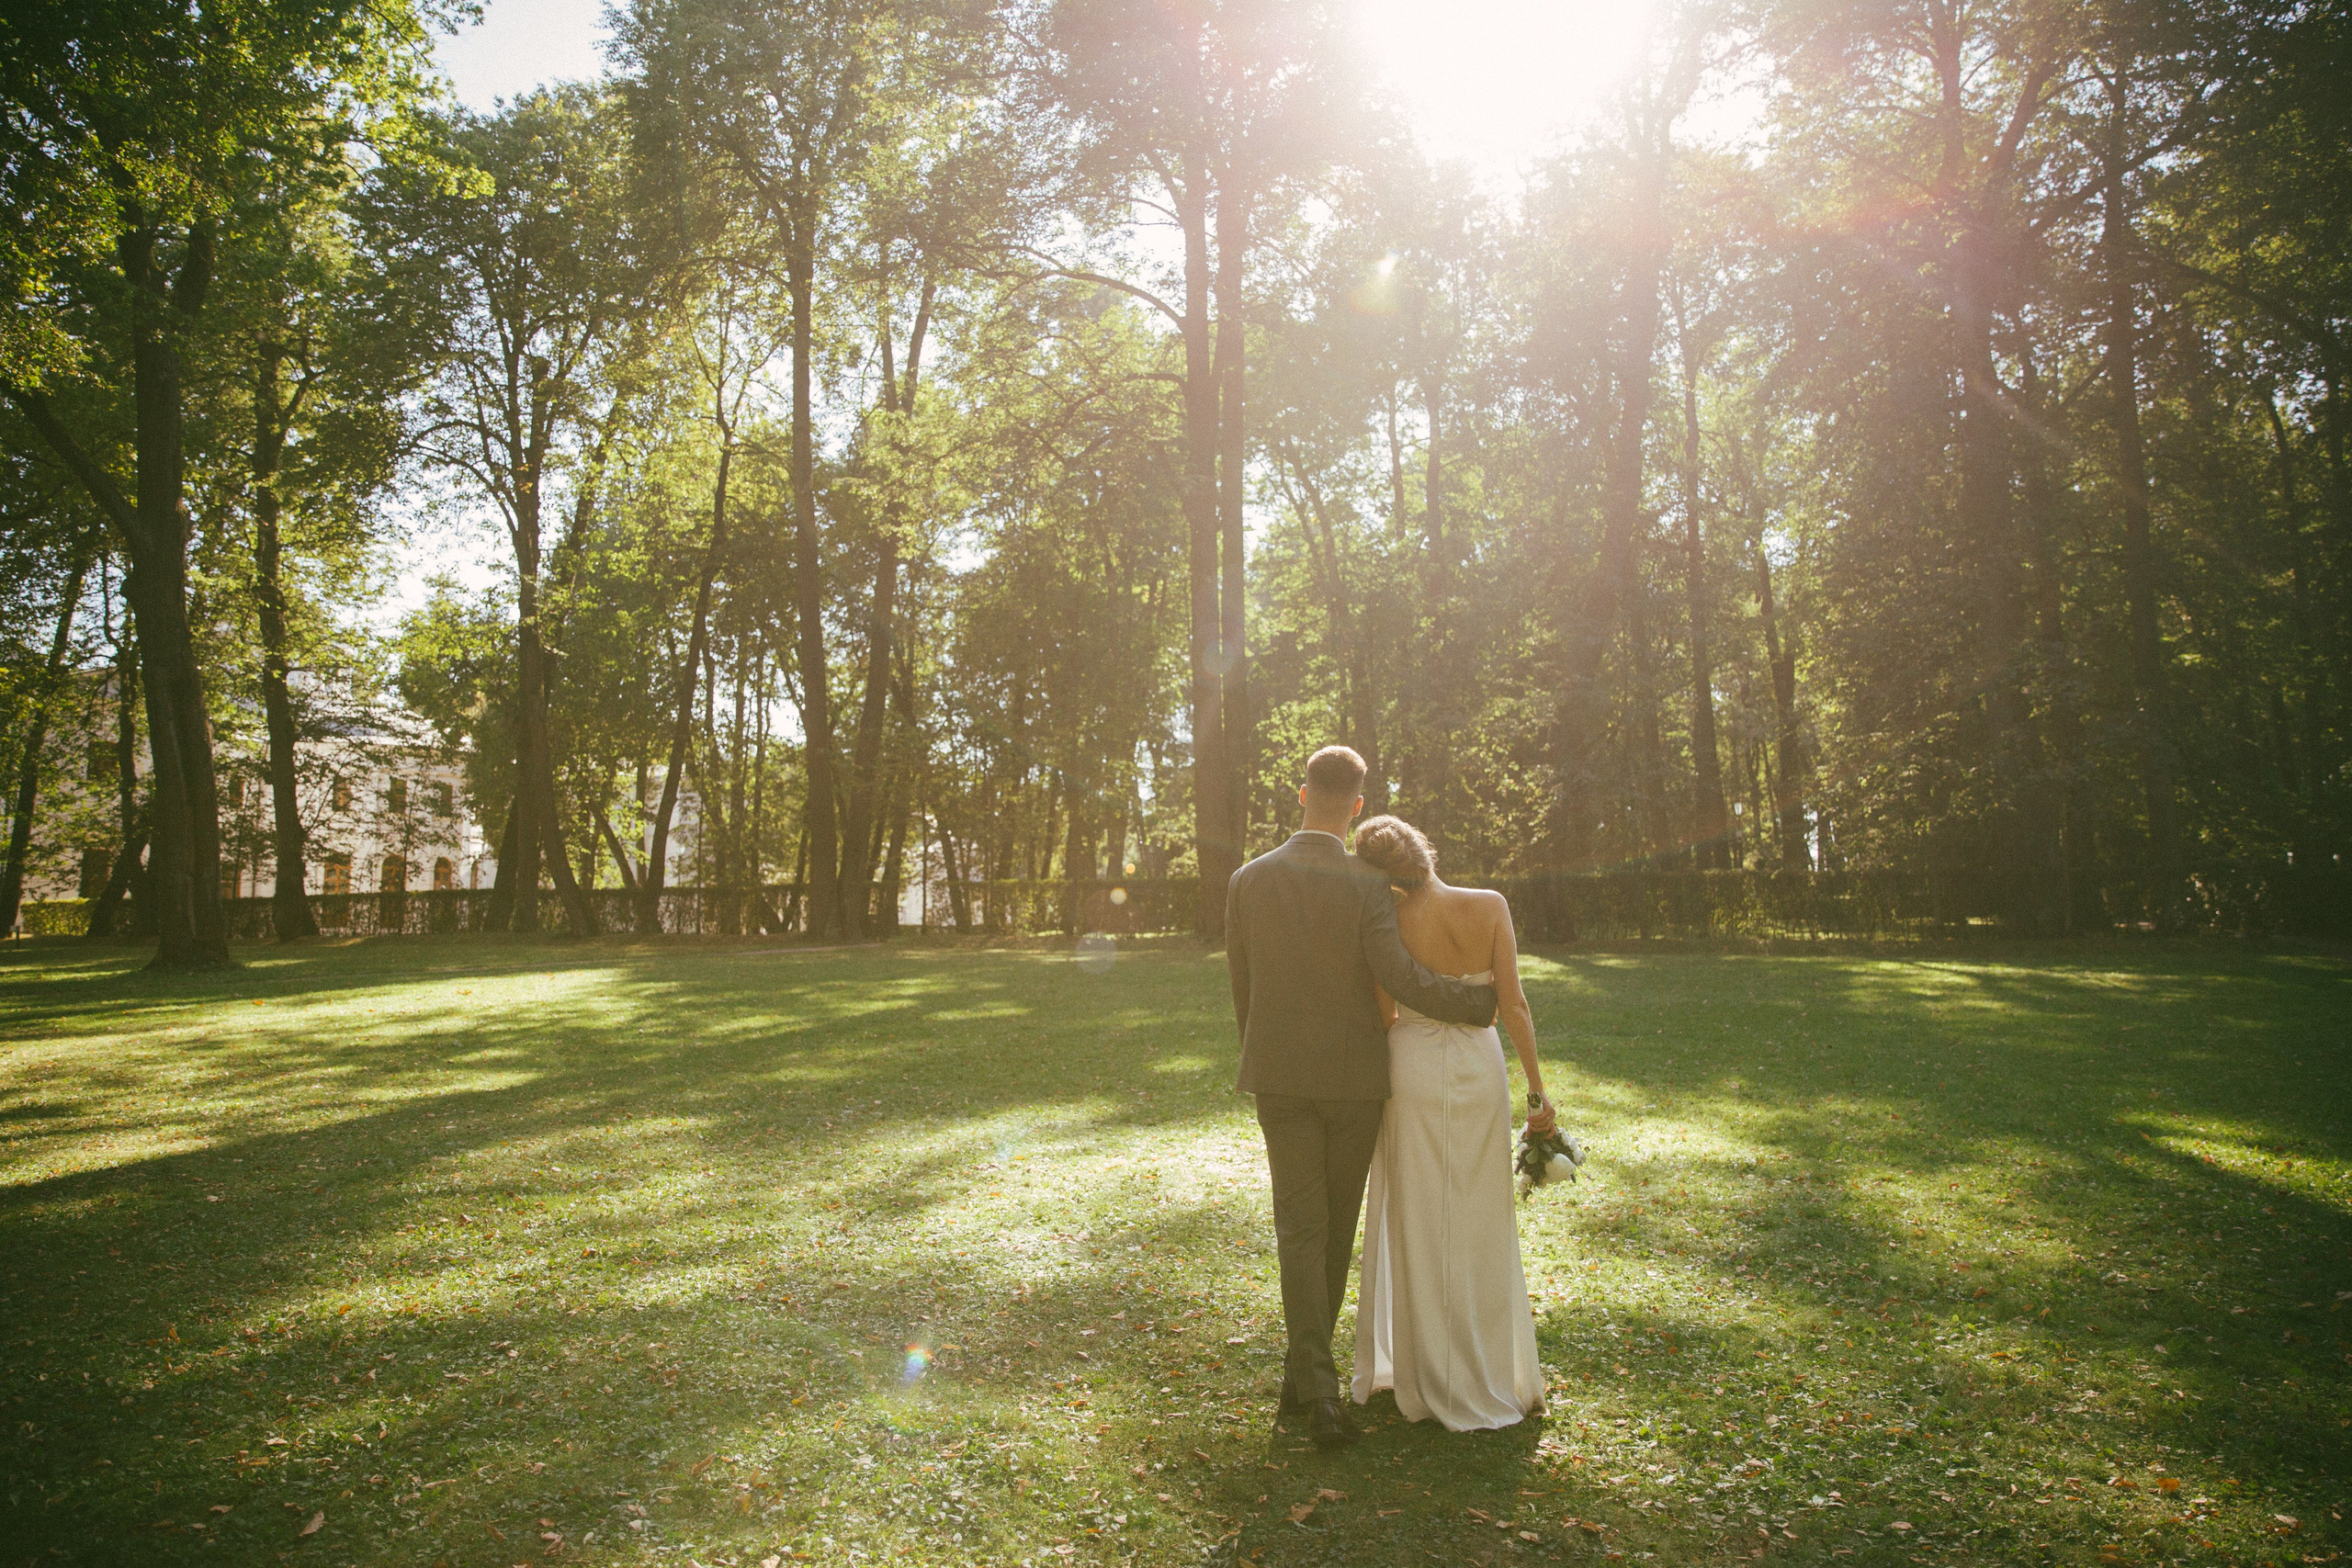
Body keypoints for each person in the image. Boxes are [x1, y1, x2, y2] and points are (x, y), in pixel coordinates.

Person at [1225, 746, 1498, 1448]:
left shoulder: (1247, 880)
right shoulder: (1366, 884)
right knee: (1333, 1228)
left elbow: (1243, 990)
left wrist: (1266, 1051)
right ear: (1355, 804)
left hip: (1280, 1076)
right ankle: (1316, 1390)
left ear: (1301, 792)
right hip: (1352, 1080)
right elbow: (1399, 975)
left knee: (1299, 1229)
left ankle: (1305, 1381)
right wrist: (1473, 1003)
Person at [1348, 814, 1551, 1430]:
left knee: (1418, 1210)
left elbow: (1385, 1013)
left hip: (1409, 1063)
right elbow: (1511, 1001)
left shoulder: (1388, 924)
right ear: (1424, 851)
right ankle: (1492, 1368)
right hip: (1479, 1064)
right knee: (1481, 1212)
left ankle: (1422, 1368)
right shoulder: (1489, 905)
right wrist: (1537, 1090)